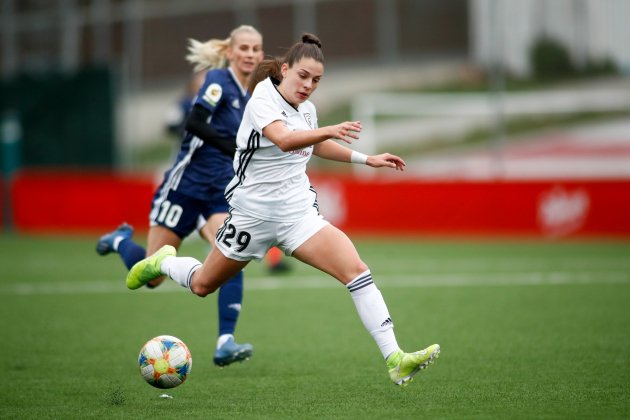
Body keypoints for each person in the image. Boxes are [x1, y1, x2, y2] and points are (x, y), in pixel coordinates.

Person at [125, 33, 440, 386]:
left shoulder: (307, 109)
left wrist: (366, 159)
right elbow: (285, 140)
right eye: (303, 76)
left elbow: (316, 147)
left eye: (317, 81)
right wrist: (328, 130)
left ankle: (395, 357)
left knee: (357, 271)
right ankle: (163, 261)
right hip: (251, 216)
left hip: (297, 216)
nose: (309, 86)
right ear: (285, 69)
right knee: (201, 285)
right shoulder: (262, 97)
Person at [96, 25, 265, 367]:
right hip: (184, 187)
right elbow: (194, 122)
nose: (249, 54)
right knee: (153, 276)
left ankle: (225, 342)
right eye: (243, 48)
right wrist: (231, 146)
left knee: (231, 254)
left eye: (255, 49)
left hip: (219, 193)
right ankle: (119, 242)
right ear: (230, 52)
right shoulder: (218, 80)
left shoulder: (253, 96)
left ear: (261, 55)